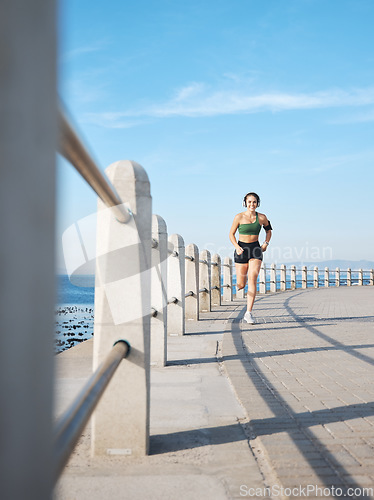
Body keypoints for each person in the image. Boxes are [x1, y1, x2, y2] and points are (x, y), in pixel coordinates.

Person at [229, 192, 272, 324]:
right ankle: (241, 283)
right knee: (241, 284)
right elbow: (231, 234)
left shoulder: (262, 217)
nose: (252, 204)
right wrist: (236, 246)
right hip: (242, 249)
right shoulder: (239, 217)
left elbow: (269, 230)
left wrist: (266, 243)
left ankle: (248, 313)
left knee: (253, 279)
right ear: (245, 203)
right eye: (249, 202)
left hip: (255, 249)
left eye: (254, 202)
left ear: (257, 203)